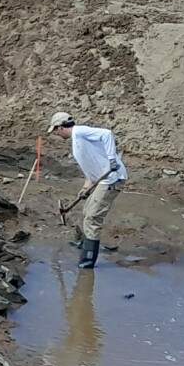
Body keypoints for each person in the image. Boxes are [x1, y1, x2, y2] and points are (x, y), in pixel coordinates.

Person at [51, 111, 126, 270]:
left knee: (92, 218)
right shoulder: (77, 141)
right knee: (86, 211)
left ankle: (87, 261)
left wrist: (112, 160)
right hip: (101, 180)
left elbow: (107, 134)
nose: (56, 134)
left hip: (112, 178)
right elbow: (91, 169)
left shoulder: (80, 132)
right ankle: (85, 244)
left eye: (55, 130)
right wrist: (86, 188)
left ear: (60, 127)